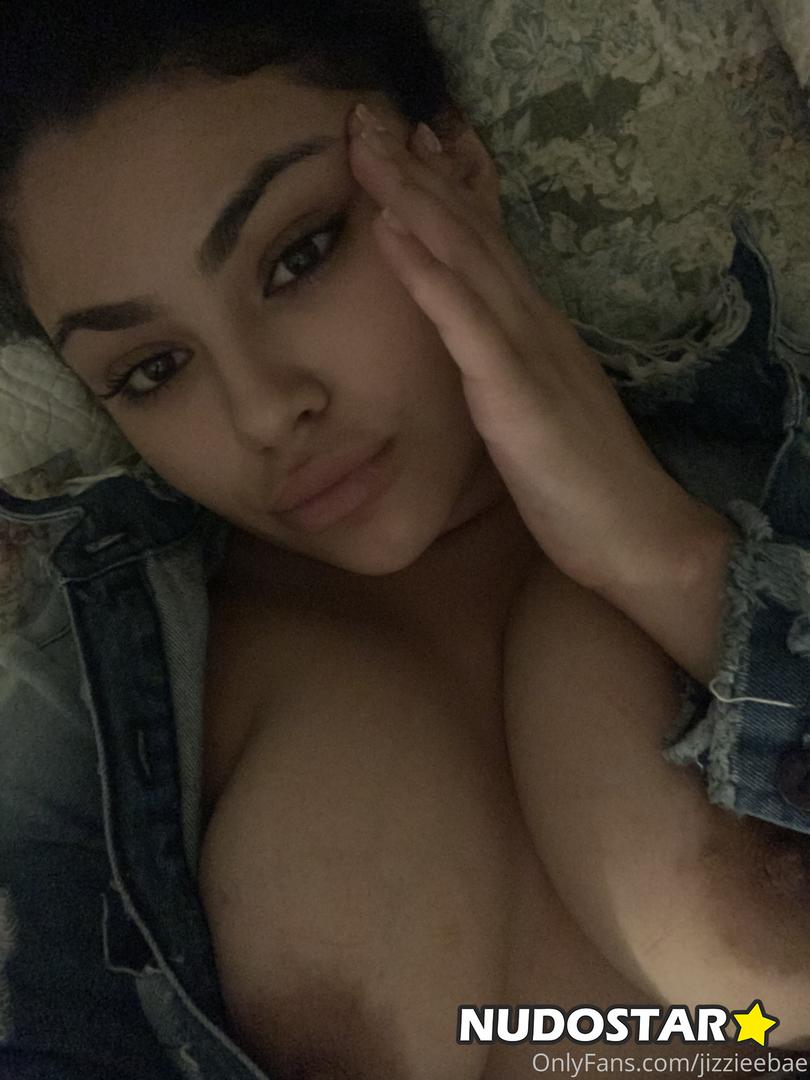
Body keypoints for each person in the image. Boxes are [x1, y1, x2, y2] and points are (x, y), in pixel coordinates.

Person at [0, 1, 808, 1077]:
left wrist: (669, 562)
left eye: (298, 257)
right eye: (152, 369)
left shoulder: (776, 489)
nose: (262, 410)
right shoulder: (101, 731)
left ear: (454, 162)